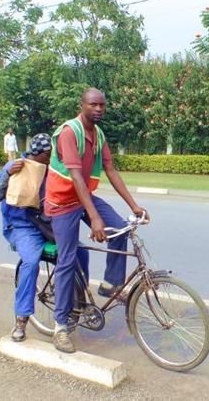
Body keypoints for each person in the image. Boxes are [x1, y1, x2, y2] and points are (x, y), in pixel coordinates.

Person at [45, 87, 149, 353]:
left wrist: (134, 205)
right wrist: (93, 218)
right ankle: (60, 326)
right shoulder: (70, 132)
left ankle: (109, 285)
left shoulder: (98, 134)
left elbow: (111, 169)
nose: (99, 109)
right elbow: (76, 177)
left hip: (84, 198)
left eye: (102, 105)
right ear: (82, 105)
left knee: (120, 229)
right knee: (68, 260)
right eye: (94, 105)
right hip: (62, 203)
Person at [0, 133, 88, 342]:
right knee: (31, 262)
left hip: (47, 224)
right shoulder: (17, 166)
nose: (52, 157)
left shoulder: (51, 170)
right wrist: (7, 173)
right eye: (49, 154)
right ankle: (21, 319)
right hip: (21, 226)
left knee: (81, 250)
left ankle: (79, 300)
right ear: (40, 154)